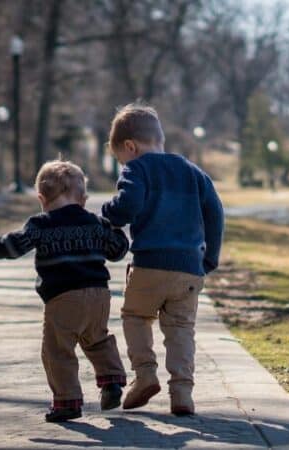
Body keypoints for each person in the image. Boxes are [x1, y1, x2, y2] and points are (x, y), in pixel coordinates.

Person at [0, 160, 129, 423]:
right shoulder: (95, 222)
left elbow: (14, 246)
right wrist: (116, 230)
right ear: (83, 198)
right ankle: (112, 382)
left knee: (57, 350)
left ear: (41, 198)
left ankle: (67, 401)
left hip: (63, 297)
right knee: (97, 339)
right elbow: (117, 251)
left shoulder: (40, 225)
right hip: (99, 295)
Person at [102, 103, 224, 416]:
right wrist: (209, 258)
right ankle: (182, 393)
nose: (123, 164)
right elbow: (216, 212)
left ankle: (145, 375)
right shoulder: (192, 171)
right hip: (188, 268)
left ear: (130, 147)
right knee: (181, 328)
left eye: (121, 159)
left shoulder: (137, 169)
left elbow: (127, 206)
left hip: (149, 264)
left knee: (136, 316)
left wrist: (108, 212)